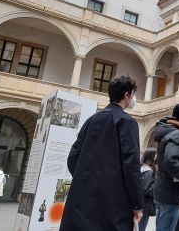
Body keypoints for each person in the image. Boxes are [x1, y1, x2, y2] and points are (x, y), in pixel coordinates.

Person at [60, 75, 144, 231]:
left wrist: (86, 180)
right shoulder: (127, 122)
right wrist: (137, 205)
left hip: (81, 200)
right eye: (133, 93)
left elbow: (72, 158)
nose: (134, 98)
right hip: (112, 205)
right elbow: (131, 166)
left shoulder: (91, 119)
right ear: (126, 95)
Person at [153, 103, 179, 231]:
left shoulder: (168, 129)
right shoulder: (177, 135)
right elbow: (170, 161)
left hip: (163, 189)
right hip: (171, 192)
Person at [139, 148, 157, 231]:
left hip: (142, 205)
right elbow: (145, 189)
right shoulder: (148, 171)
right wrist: (157, 186)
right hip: (144, 206)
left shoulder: (142, 168)